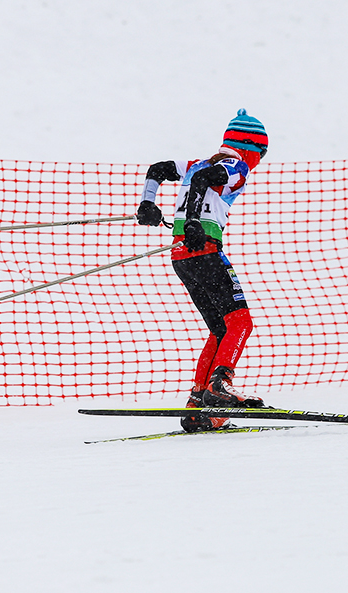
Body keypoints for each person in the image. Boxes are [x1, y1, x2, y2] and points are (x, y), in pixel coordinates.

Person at [136, 109, 269, 432]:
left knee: (219, 328)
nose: (259, 162)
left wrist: (148, 204)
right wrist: (195, 220)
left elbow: (159, 169)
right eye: (261, 154)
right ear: (252, 148)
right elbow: (202, 181)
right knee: (240, 323)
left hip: (181, 256)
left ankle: (198, 403)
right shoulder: (236, 166)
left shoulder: (198, 162)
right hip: (206, 250)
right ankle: (220, 386)